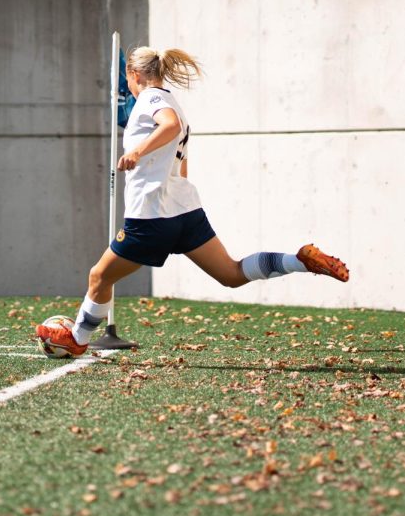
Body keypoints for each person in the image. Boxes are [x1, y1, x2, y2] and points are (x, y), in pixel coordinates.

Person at [37, 47, 350, 357]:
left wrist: (136, 152)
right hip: (184, 210)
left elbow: (169, 125)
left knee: (99, 276)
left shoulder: (150, 99)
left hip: (151, 216)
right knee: (231, 273)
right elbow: (180, 156)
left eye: (128, 81)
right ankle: (299, 260)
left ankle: (77, 338)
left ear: (134, 76)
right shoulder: (174, 102)